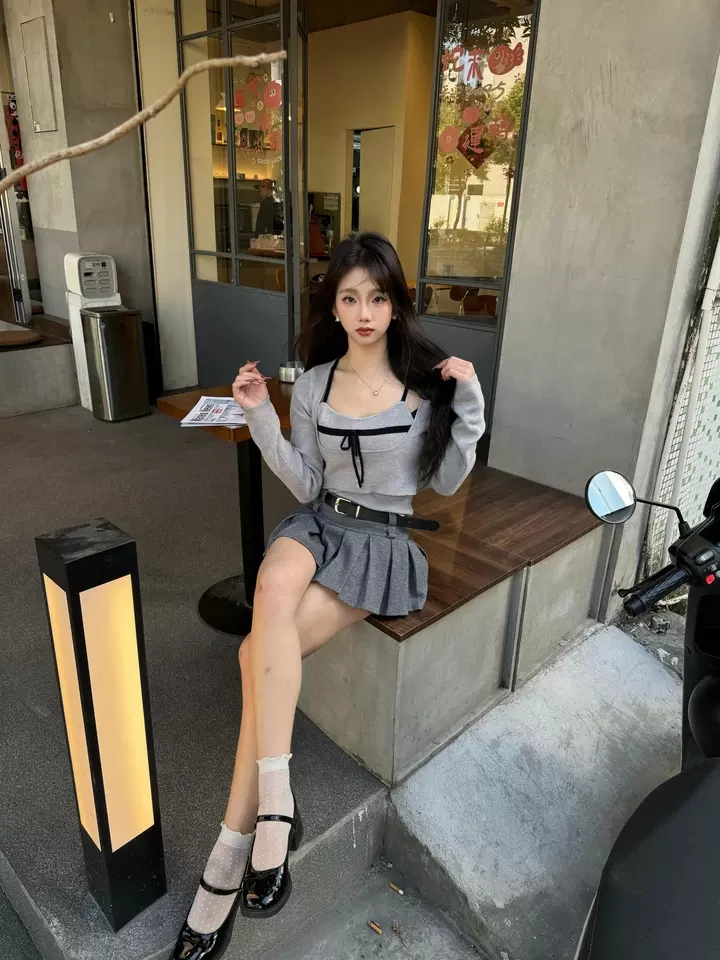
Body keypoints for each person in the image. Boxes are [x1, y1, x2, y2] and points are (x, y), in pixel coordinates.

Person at [172, 232, 485, 959]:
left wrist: (469, 399)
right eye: (350, 298)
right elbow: (308, 484)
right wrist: (260, 415)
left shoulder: (425, 386)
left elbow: (446, 482)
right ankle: (278, 803)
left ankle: (229, 851)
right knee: (273, 577)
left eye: (377, 297)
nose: (364, 312)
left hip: (380, 543)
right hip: (319, 523)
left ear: (396, 304)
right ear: (334, 307)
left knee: (253, 656)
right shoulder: (313, 384)